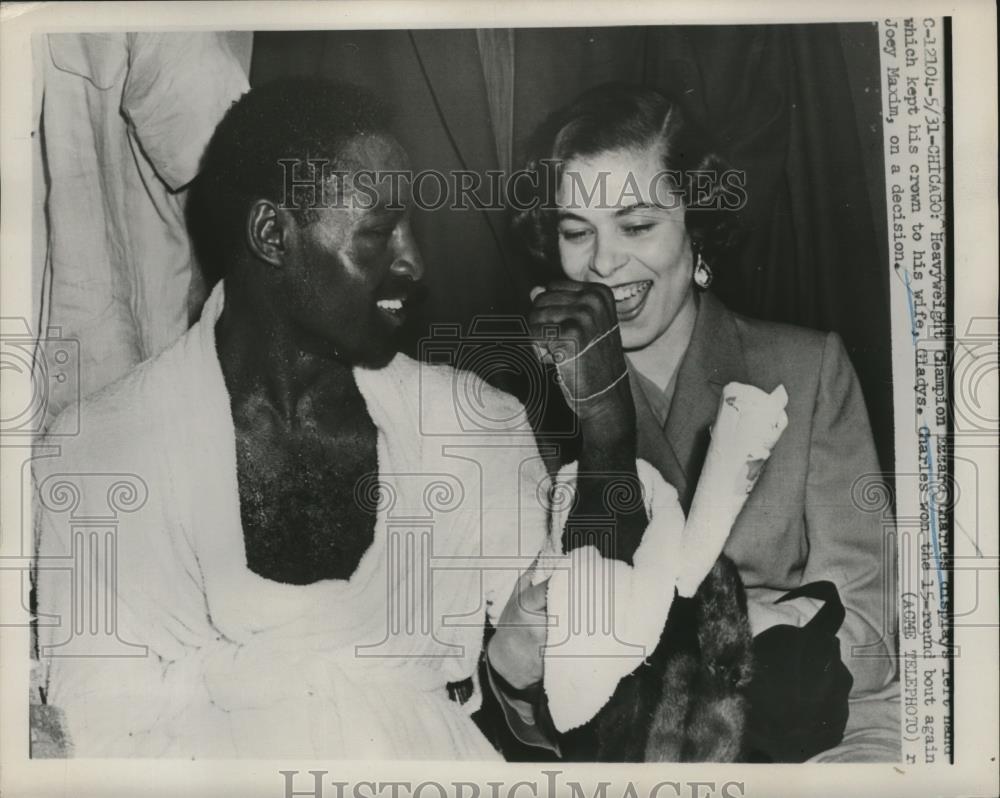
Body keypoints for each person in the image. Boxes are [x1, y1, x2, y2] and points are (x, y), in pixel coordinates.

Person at [33, 78, 568, 759]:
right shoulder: (101, 452)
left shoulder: (469, 427)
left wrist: (609, 441)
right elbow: (94, 735)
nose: (415, 261)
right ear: (271, 234)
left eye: (412, 228)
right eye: (377, 234)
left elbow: (570, 671)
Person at [514, 83, 899, 762]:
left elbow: (867, 642)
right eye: (578, 231)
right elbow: (529, 686)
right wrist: (771, 614)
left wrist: (649, 629)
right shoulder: (526, 402)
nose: (604, 264)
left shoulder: (808, 369)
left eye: (636, 226)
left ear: (696, 221)